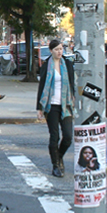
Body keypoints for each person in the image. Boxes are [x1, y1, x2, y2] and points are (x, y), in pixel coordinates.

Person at [36, 39, 75, 177]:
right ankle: (56, 166)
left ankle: (59, 156)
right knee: (55, 137)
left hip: (66, 105)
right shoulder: (46, 66)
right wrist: (39, 107)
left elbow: (72, 84)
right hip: (51, 105)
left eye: (61, 49)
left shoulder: (68, 64)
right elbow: (42, 87)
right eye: (57, 49)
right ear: (51, 50)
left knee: (68, 136)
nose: (60, 52)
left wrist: (74, 100)